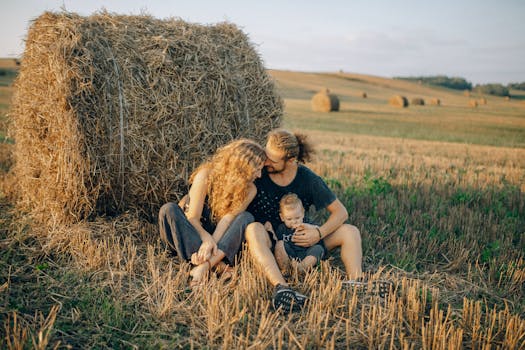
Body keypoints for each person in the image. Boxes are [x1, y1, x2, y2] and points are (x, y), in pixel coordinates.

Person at [246, 129, 389, 313]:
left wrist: (318, 233)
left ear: (290, 160)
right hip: (274, 242)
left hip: (305, 240)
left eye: (272, 161)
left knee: (350, 231)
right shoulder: (260, 174)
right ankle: (282, 288)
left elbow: (341, 213)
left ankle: (357, 281)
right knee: (252, 229)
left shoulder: (307, 178)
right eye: (266, 156)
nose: (265, 162)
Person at [158, 138, 266, 287]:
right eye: (257, 169)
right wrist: (206, 239)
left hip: (221, 238)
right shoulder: (206, 174)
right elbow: (193, 217)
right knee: (168, 209)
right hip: (195, 231)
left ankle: (203, 266)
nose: (260, 175)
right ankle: (218, 266)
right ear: (242, 167)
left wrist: (210, 247)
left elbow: (227, 221)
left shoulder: (250, 189)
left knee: (246, 218)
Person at [265, 193, 327, 273]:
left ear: (303, 213)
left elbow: (319, 231)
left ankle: (302, 267)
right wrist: (271, 231)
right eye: (289, 219)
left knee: (318, 249)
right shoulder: (282, 228)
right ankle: (286, 269)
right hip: (290, 255)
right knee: (280, 244)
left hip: (307, 253)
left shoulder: (308, 224)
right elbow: (276, 244)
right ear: (282, 217)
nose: (294, 222)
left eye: (297, 218)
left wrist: (311, 227)